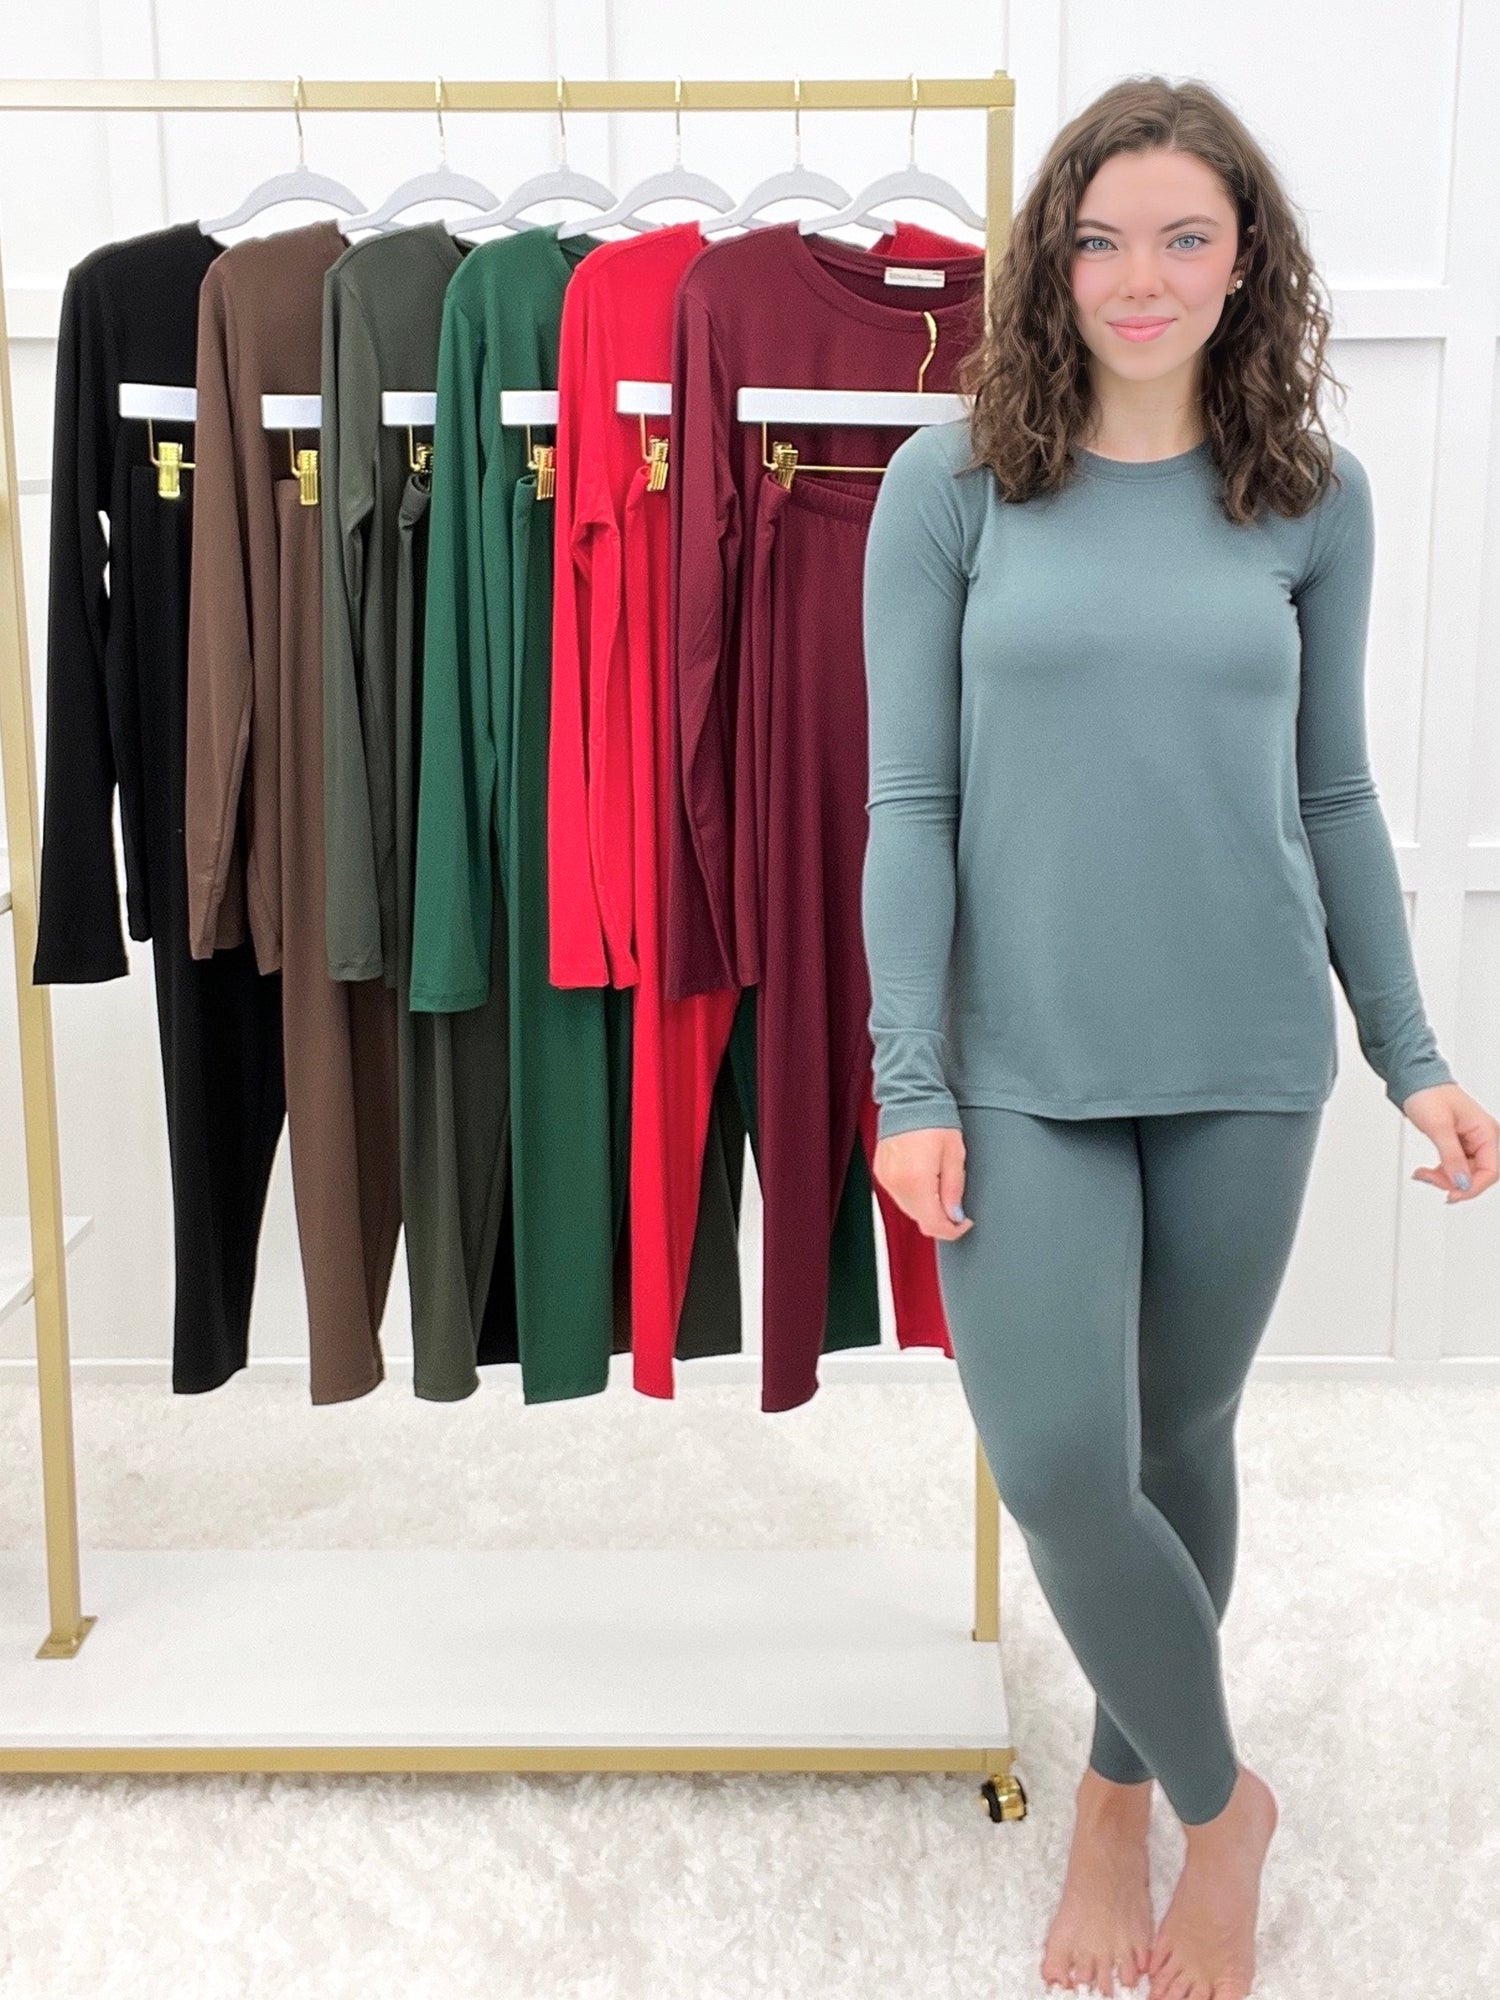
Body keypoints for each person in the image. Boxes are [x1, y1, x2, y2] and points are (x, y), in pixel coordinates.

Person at [860, 74, 1498, 2000]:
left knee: (1179, 1438)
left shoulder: (1311, 495)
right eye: (1101, 240)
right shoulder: (950, 484)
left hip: (1243, 1049)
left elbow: (1336, 796)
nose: (1140, 277)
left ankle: (1120, 1793)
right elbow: (911, 805)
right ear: (1051, 262)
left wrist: (1413, 1054)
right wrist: (909, 1077)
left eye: (1184, 238)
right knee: (1061, 1459)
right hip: (1017, 1063)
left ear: (1245, 262)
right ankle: (1232, 1809)